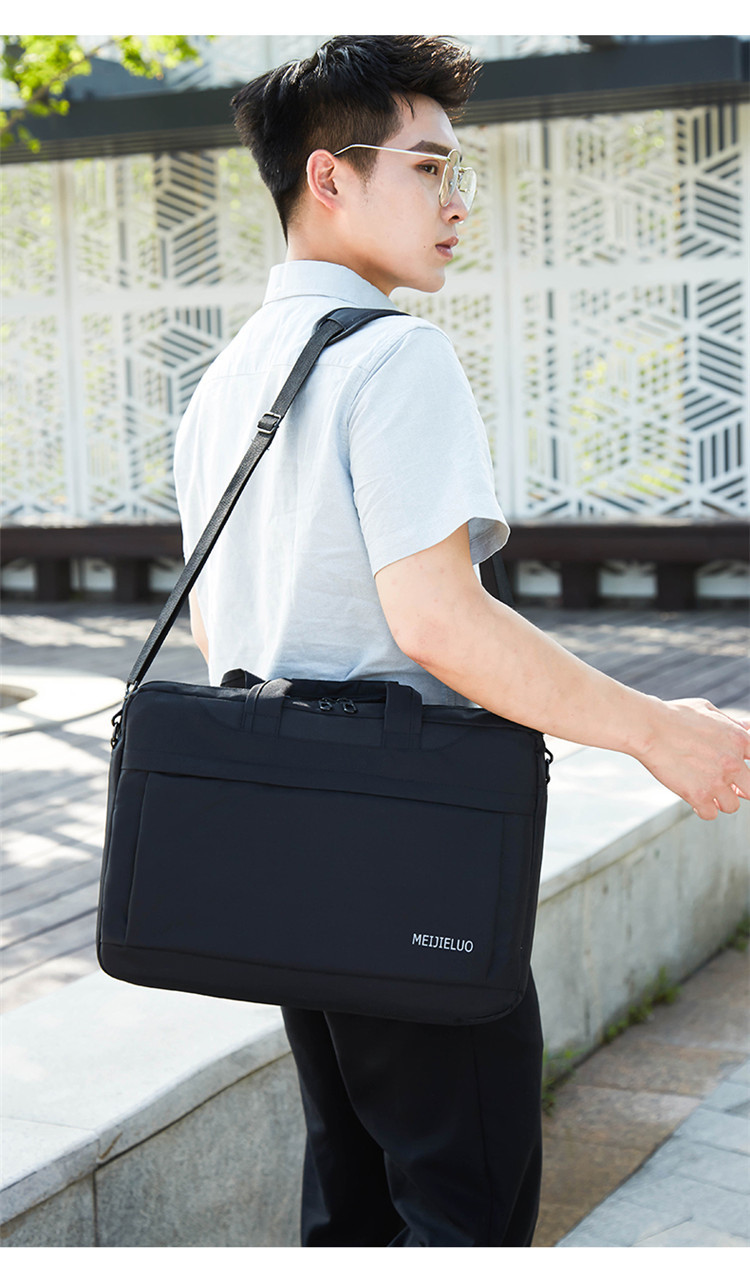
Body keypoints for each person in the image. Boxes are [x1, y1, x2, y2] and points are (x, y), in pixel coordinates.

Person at [173, 35, 750, 1248]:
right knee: (462, 1202)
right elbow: (440, 621)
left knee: (351, 1190)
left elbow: (223, 630)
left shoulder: (224, 382)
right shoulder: (395, 356)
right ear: (329, 177)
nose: (456, 202)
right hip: (408, 852)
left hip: (278, 847)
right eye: (428, 166)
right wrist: (662, 732)